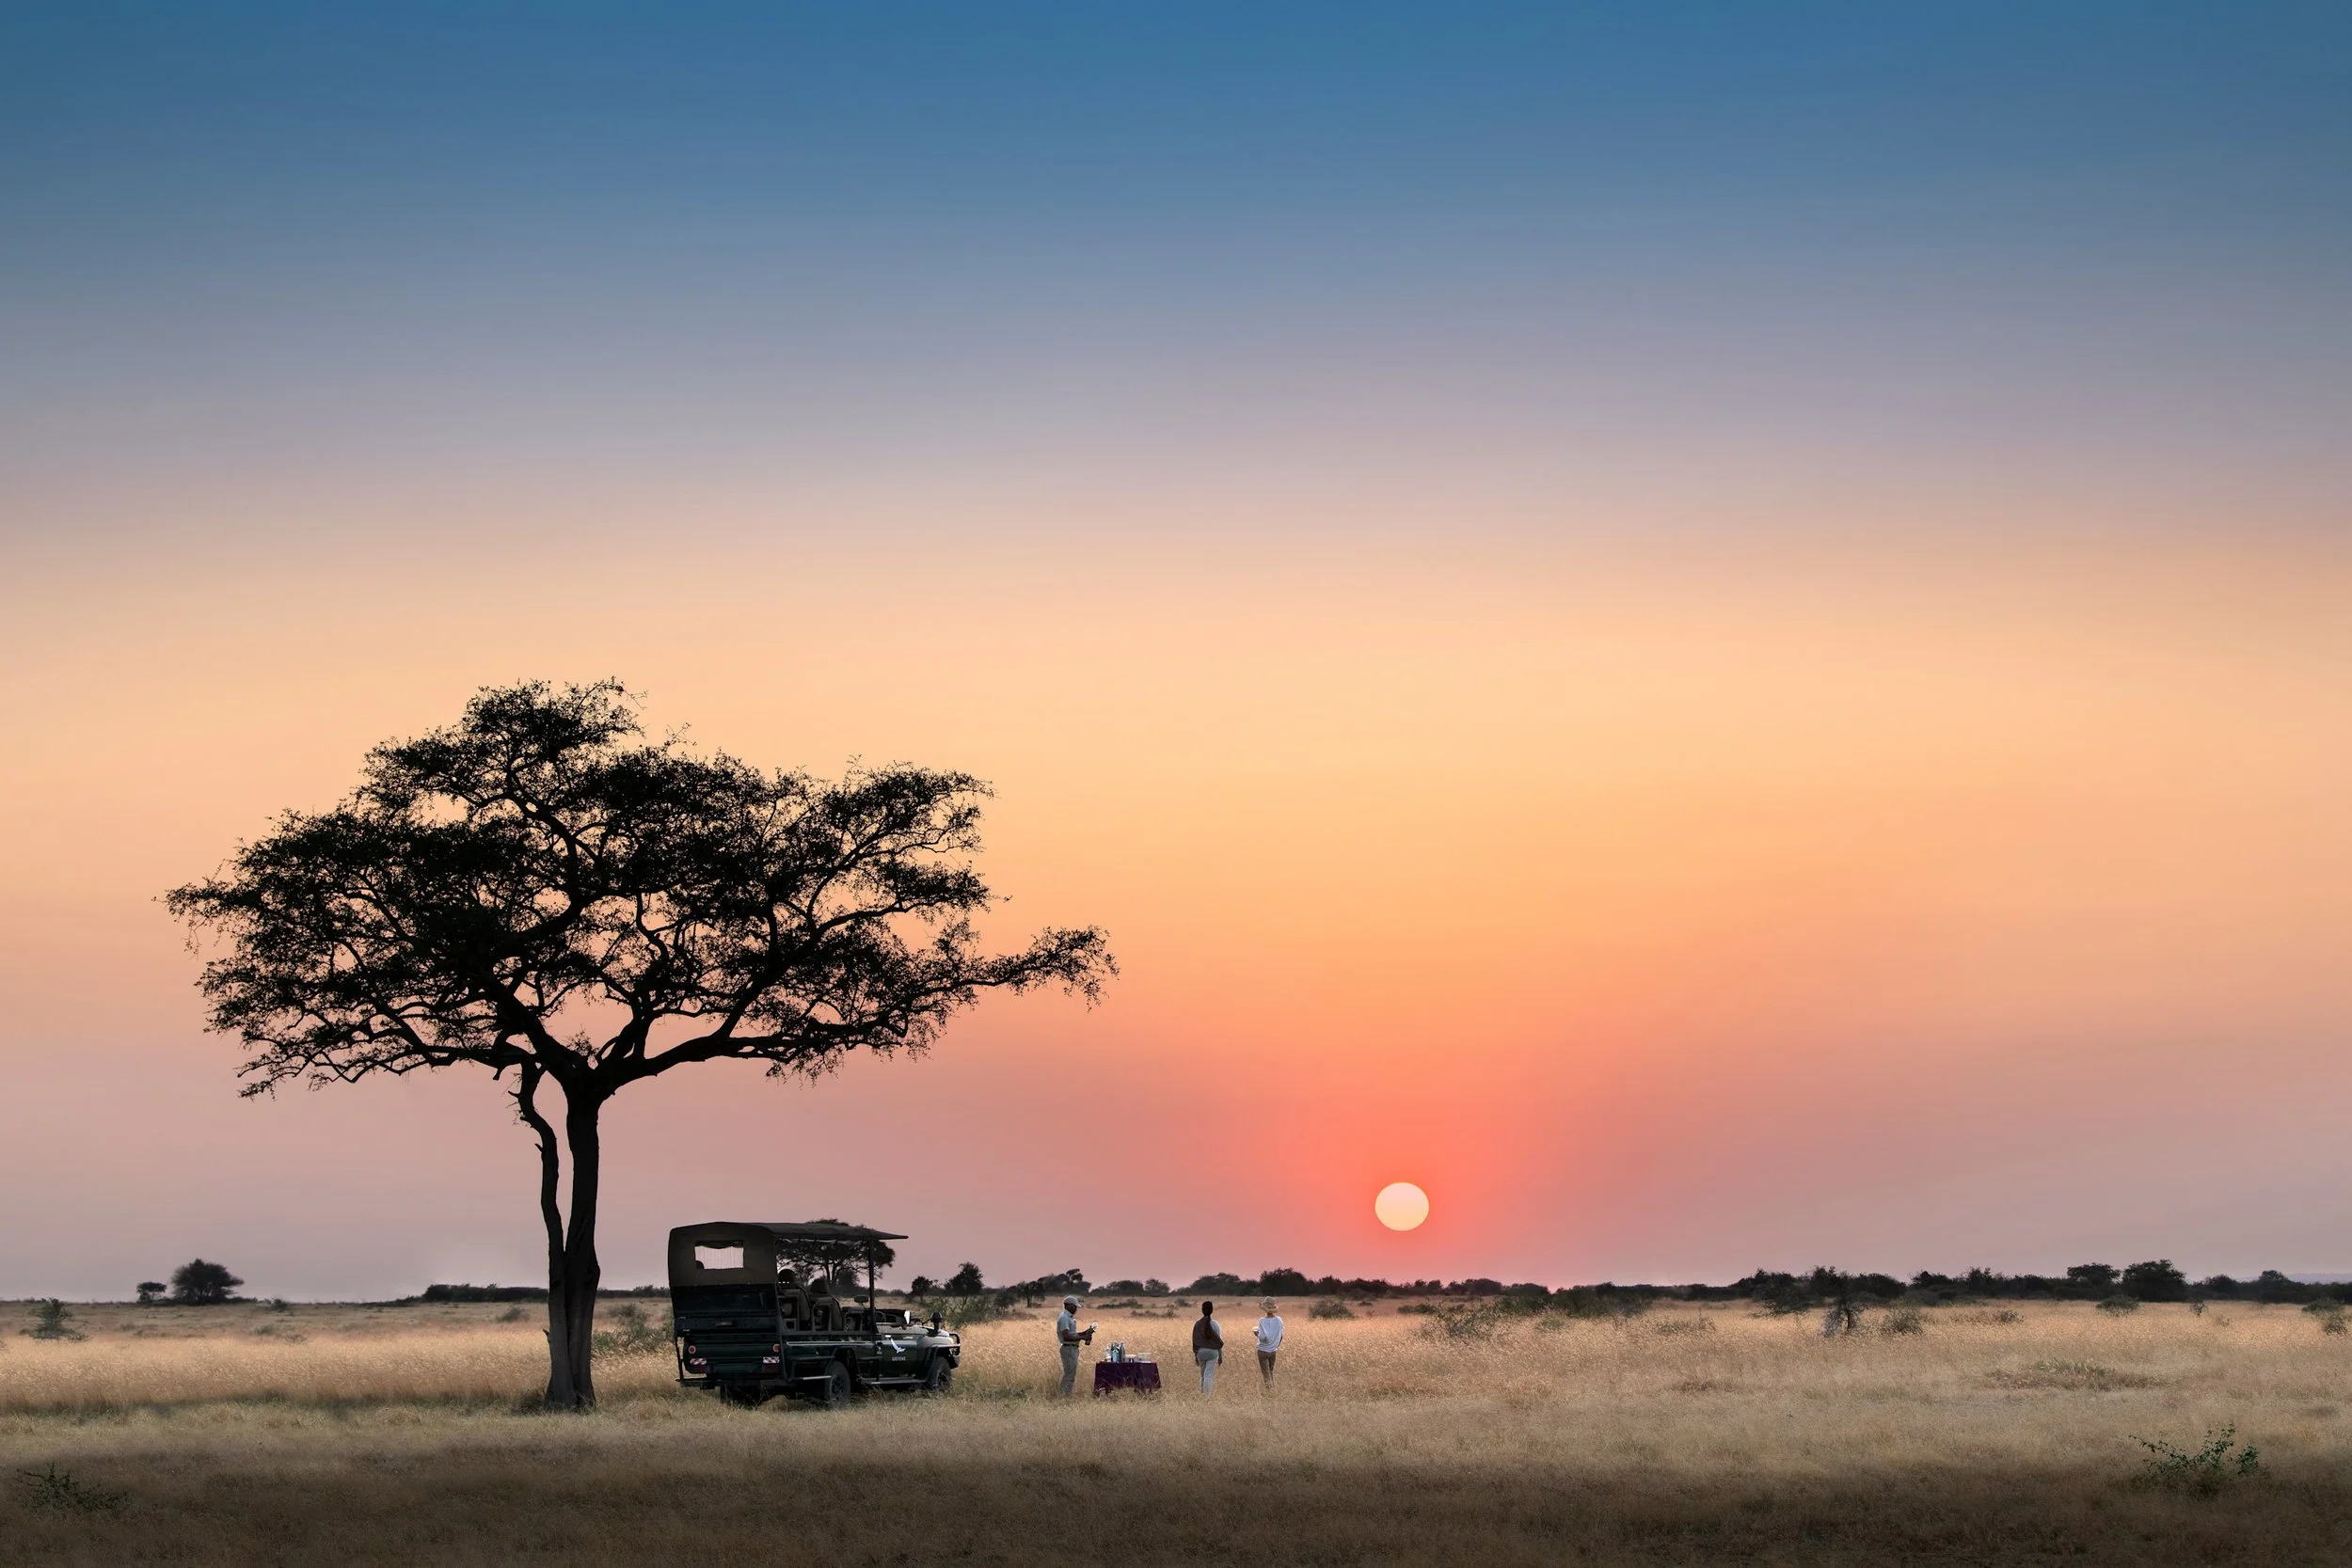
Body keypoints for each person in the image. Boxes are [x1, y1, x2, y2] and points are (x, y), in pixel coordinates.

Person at [1056, 1295, 1095, 1396]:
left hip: (1071, 1348)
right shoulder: (1064, 1317)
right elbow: (1066, 1336)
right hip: (1068, 1348)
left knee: (1070, 1374)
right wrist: (1083, 1338)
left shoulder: (1068, 1317)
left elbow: (1072, 1334)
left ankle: (1065, 1395)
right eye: (1075, 1306)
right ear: (1068, 1306)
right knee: (1069, 1375)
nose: (1076, 1309)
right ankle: (1063, 1396)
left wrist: (1085, 1332)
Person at [1192, 1299, 1224, 1393]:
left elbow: (1195, 1340)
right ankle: (1207, 1396)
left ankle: (1202, 1393)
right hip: (1213, 1352)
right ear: (1212, 1310)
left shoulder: (1197, 1324)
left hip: (1200, 1352)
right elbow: (1219, 1342)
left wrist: (1195, 1355)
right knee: (1208, 1375)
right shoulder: (1215, 1324)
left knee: (1202, 1374)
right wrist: (1220, 1356)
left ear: (1202, 1310)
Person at [1255, 1296, 1284, 1386]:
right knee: (1271, 1372)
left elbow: (1263, 1337)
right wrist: (1275, 1346)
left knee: (1266, 1374)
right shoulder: (1279, 1320)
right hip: (1273, 1351)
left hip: (1263, 1351)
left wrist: (1257, 1334)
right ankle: (1273, 1390)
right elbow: (1281, 1336)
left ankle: (1269, 1392)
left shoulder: (1262, 1321)